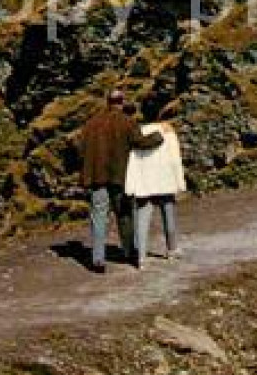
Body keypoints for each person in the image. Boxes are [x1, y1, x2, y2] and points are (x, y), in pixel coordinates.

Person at [75, 90, 163, 274]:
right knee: (124, 215)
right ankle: (128, 251)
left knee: (98, 217)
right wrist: (159, 135)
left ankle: (98, 259)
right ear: (121, 102)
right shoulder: (126, 122)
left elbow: (81, 149)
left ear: (107, 102)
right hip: (119, 177)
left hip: (96, 177)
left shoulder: (91, 124)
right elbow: (140, 142)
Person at [124, 121, 187, 266]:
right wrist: (179, 181)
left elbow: (132, 161)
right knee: (168, 214)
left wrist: (131, 184)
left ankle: (141, 257)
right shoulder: (168, 131)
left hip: (144, 182)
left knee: (142, 218)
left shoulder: (139, 131)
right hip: (165, 179)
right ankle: (172, 249)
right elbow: (175, 159)